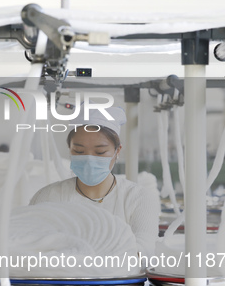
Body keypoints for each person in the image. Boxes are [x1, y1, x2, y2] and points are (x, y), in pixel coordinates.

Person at [30, 108, 160, 256]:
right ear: (70, 149)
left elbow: (144, 253)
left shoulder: (139, 198)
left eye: (100, 152)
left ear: (117, 151)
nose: (89, 160)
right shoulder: (49, 197)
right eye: (79, 152)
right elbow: (30, 247)